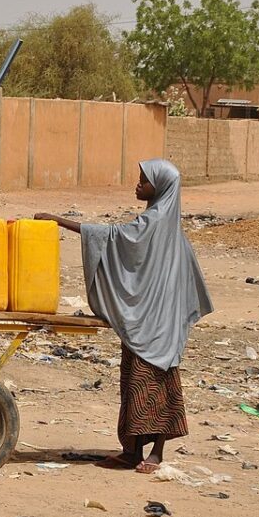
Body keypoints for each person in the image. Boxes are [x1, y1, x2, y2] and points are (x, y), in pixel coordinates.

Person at [35, 159, 212, 473]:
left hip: (158, 325)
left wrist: (60, 221)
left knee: (157, 385)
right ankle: (132, 450)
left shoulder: (156, 223)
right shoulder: (161, 224)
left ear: (161, 187)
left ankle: (155, 454)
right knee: (134, 383)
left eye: (143, 181)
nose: (138, 185)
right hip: (146, 320)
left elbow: (113, 237)